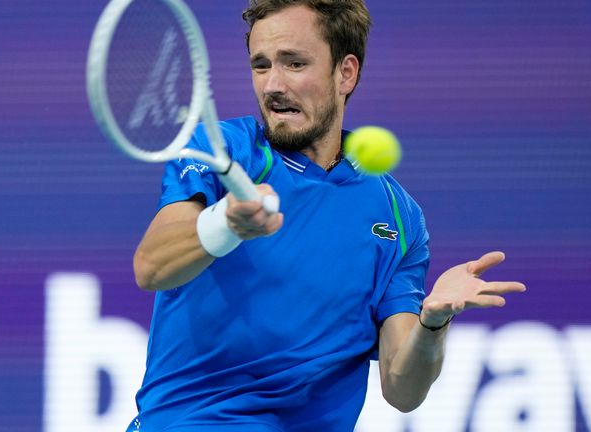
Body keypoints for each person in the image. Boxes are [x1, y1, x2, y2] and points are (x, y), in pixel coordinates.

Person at [127, 1, 525, 431]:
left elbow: (402, 390)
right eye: (261, 66)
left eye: (295, 63)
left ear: (345, 73)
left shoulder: (398, 217)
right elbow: (151, 266)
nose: (273, 85)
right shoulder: (225, 150)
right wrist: (225, 224)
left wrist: (432, 324)